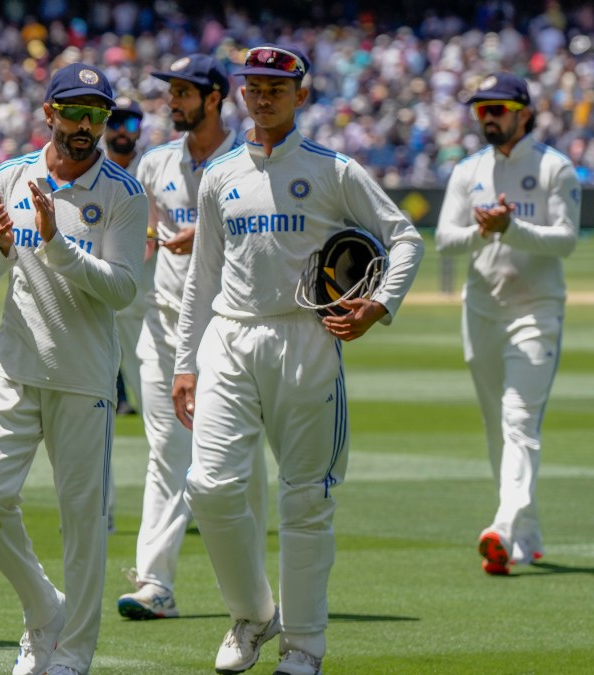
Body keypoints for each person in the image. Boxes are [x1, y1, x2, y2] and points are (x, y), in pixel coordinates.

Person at [170, 45, 423, 675]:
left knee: (306, 499)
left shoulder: (334, 169)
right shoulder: (219, 174)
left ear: (301, 96)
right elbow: (200, 279)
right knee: (209, 487)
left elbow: (404, 236)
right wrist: (184, 363)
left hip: (308, 340)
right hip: (229, 337)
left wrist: (378, 305)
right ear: (240, 94)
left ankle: (304, 647)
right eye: (254, 87)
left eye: (277, 88)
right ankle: (253, 612)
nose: (264, 97)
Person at [0, 63, 146, 675]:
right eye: (75, 112)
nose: (87, 126)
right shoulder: (11, 175)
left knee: (83, 526)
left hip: (84, 378)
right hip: (13, 367)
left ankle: (72, 656)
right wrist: (0, 243)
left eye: (98, 115)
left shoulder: (122, 192)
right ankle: (45, 608)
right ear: (50, 113)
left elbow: (122, 290)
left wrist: (55, 244)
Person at [116, 54, 266, 622]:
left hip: (232, 331)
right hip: (163, 328)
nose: (173, 101)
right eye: (171, 91)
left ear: (214, 98)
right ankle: (155, 584)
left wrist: (206, 236)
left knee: (241, 464)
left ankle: (254, 594)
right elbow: (144, 230)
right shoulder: (155, 164)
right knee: (165, 453)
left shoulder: (251, 161)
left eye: (184, 91)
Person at [436, 72, 580, 576]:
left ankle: (500, 526)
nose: (489, 118)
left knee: (520, 420)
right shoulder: (467, 170)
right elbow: (445, 239)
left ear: (523, 112)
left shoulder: (554, 168)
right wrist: (484, 230)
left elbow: (565, 240)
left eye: (498, 108)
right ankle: (528, 533)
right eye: (481, 110)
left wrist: (511, 228)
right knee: (500, 429)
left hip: (536, 309)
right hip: (482, 312)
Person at [106, 97, 147, 422]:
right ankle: (117, 400)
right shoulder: (90, 170)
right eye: (115, 122)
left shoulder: (150, 171)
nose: (122, 130)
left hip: (145, 292)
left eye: (130, 123)